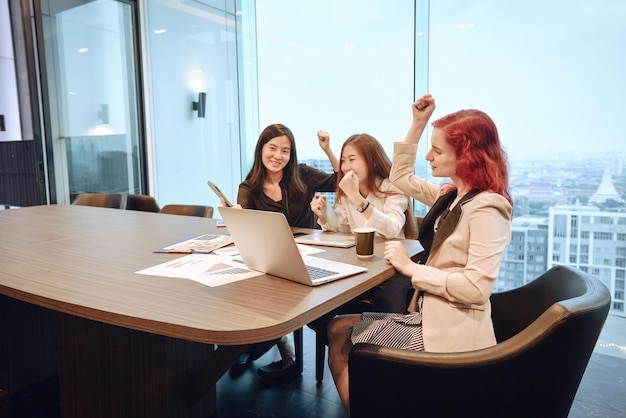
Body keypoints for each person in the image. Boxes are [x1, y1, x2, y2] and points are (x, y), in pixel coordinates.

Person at [326, 94, 513, 414]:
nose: (428, 155)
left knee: (346, 342)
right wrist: (418, 122)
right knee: (335, 327)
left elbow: (477, 288)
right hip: (426, 314)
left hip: (446, 333)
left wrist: (411, 269)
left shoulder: (488, 208)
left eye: (437, 150)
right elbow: (400, 177)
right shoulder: (452, 195)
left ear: (466, 156)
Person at [232, 123, 339, 380]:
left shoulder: (301, 174)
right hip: (276, 258)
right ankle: (264, 345)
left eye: (285, 151)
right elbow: (244, 221)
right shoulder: (249, 188)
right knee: (251, 287)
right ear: (261, 149)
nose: (278, 156)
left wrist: (328, 150)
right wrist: (236, 215)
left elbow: (339, 182)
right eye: (273, 148)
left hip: (311, 254)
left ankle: (261, 347)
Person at [307, 133, 417, 349]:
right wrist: (323, 217)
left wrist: (357, 198)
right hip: (360, 268)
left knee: (387, 307)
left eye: (352, 159)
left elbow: (392, 229)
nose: (346, 166)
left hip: (392, 268)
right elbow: (344, 228)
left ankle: (370, 354)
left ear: (372, 161)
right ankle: (347, 350)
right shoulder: (347, 192)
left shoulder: (391, 187)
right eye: (343, 160)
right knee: (316, 308)